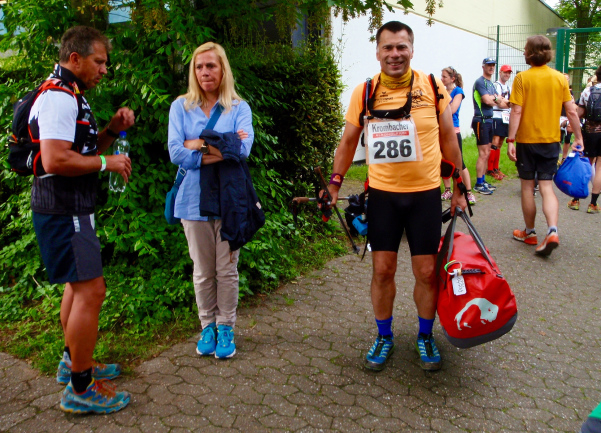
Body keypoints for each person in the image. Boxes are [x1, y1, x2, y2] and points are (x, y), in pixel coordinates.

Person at [324, 21, 466, 372]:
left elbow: (449, 138)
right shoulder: (366, 91)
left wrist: (460, 187)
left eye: (401, 46)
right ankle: (384, 335)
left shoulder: (432, 86)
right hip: (383, 196)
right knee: (383, 270)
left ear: (412, 50)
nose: (395, 54)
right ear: (378, 52)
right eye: (387, 47)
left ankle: (425, 335)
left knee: (427, 272)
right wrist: (335, 183)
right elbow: (348, 142)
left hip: (425, 195)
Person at [31, 26, 134, 413]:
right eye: (99, 61)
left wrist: (111, 131)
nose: (105, 69)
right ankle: (80, 387)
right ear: (75, 59)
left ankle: (73, 361)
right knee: (92, 291)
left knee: (77, 289)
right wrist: (108, 162)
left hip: (70, 206)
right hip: (63, 208)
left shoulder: (71, 94)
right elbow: (56, 159)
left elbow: (81, 150)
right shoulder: (60, 97)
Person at [168, 42, 254, 360]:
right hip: (192, 201)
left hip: (230, 200)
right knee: (203, 271)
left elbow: (242, 151)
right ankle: (207, 326)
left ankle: (226, 326)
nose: (205, 72)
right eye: (199, 66)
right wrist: (221, 146)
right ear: (194, 71)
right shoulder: (180, 107)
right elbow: (175, 152)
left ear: (222, 69)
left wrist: (196, 144)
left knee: (227, 270)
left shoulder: (239, 108)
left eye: (211, 66)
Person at [507, 35, 583, 256]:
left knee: (527, 187)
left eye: (525, 49)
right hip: (551, 141)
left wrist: (510, 140)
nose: (523, 52)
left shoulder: (522, 78)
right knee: (546, 186)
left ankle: (530, 233)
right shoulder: (559, 78)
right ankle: (552, 230)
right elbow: (571, 111)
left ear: (530, 53)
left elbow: (516, 111)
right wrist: (579, 137)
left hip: (527, 141)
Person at [472, 57, 509, 195]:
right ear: (483, 67)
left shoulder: (491, 84)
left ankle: (482, 180)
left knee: (487, 152)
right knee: (483, 154)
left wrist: (511, 103)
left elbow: (502, 102)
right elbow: (487, 100)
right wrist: (496, 99)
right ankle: (478, 184)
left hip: (489, 120)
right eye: (489, 65)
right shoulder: (480, 82)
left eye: (493, 65)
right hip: (480, 120)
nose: (491, 67)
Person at [440, 67, 476, 206]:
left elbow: (452, 109)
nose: (442, 79)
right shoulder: (442, 91)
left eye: (444, 77)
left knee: (460, 162)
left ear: (452, 78)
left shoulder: (458, 91)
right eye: (441, 76)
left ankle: (468, 192)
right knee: (444, 161)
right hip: (441, 130)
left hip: (453, 131)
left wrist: (441, 106)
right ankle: (447, 190)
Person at [572, 64, 601, 214]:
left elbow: (579, 114)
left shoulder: (588, 91)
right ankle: (593, 204)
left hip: (590, 132)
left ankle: (576, 200)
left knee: (586, 164)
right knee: (600, 167)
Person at [489, 64, 513, 180]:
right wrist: (508, 103)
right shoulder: (496, 85)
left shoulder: (508, 87)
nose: (507, 75)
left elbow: (508, 103)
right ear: (500, 72)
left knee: (500, 143)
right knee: (495, 141)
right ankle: (490, 169)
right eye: (505, 72)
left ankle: (496, 167)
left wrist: (506, 102)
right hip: (497, 116)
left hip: (505, 117)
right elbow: (499, 103)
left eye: (509, 73)